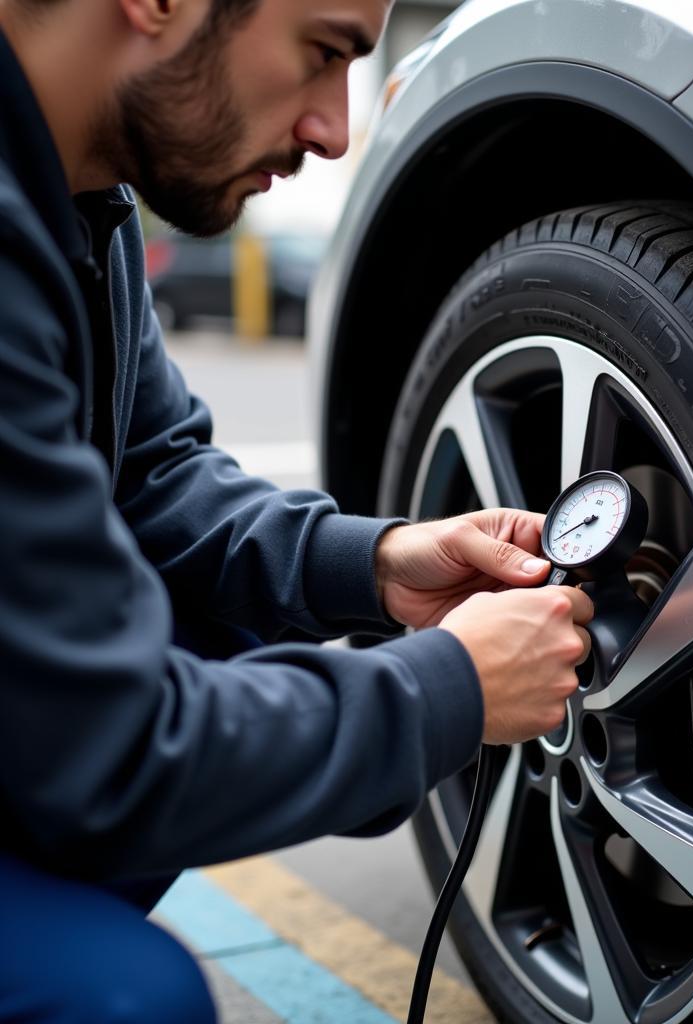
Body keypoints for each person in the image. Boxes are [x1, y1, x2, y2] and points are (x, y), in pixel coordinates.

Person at [0, 0, 595, 1018]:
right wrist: (446, 687)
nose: (333, 129)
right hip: (72, 753)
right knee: (127, 995)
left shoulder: (77, 198)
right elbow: (113, 756)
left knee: (219, 617)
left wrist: (375, 562)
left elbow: (152, 473)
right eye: (322, 54)